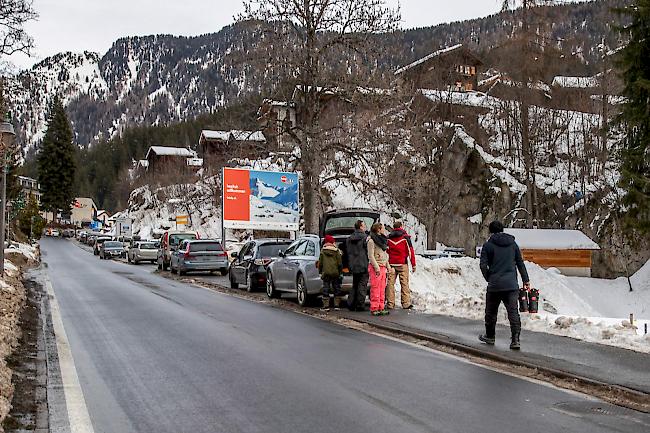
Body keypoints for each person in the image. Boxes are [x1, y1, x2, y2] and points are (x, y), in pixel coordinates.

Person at [479, 220, 530, 350]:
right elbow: (520, 263)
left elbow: (483, 265)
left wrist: (489, 277)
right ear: (503, 229)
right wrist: (526, 280)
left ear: (490, 231)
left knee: (491, 312)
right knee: (513, 312)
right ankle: (515, 340)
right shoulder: (513, 244)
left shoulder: (488, 245)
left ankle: (490, 336)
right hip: (511, 285)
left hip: (495, 284)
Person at [386, 220, 416, 310]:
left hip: (391, 264)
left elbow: (386, 250)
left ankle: (390, 303)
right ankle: (406, 303)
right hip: (402, 263)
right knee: (404, 283)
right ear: (401, 226)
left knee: (390, 284)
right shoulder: (405, 237)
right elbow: (411, 251)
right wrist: (413, 264)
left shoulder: (388, 238)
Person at [346, 220, 369, 311]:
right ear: (360, 227)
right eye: (364, 225)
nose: (365, 227)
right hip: (363, 265)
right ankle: (360, 305)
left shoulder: (349, 239)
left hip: (353, 265)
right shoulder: (365, 238)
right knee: (362, 285)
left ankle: (351, 304)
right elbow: (368, 251)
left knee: (355, 285)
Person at [367, 222, 390, 316]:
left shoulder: (383, 241)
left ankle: (381, 307)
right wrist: (376, 268)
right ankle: (374, 307)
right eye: (383, 228)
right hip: (376, 267)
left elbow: (385, 255)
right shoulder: (371, 241)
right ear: (378, 229)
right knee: (375, 288)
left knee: (382, 288)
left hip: (383, 266)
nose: (384, 230)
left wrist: (388, 266)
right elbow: (370, 256)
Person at [318, 235, 343, 312]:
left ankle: (326, 306)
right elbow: (340, 263)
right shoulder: (337, 251)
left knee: (326, 288)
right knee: (336, 288)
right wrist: (340, 272)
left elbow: (320, 263)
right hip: (335, 272)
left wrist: (320, 272)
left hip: (326, 273)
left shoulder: (322, 251)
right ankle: (336, 305)